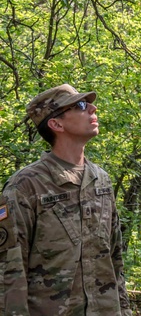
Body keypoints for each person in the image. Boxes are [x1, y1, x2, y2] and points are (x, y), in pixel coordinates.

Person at [0, 84, 132, 315]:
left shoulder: (101, 180)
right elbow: (9, 270)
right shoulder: (26, 185)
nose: (92, 108)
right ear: (56, 124)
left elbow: (114, 258)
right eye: (81, 105)